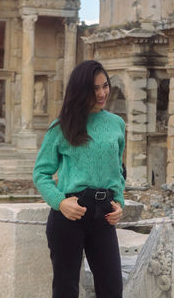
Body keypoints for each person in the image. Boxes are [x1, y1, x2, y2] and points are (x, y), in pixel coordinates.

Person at [33, 60, 125, 298]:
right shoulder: (61, 126)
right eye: (95, 88)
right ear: (81, 90)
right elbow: (41, 173)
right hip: (69, 214)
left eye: (105, 86)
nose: (102, 93)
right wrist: (59, 202)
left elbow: (118, 171)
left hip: (104, 215)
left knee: (112, 288)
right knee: (65, 289)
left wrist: (120, 203)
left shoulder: (117, 124)